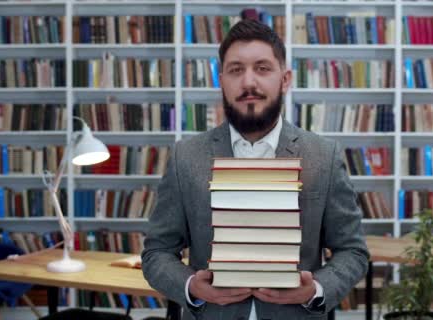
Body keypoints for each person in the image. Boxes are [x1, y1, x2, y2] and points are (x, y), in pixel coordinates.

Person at [142, 19, 369, 320]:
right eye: (236, 70)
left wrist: (315, 289)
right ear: (221, 79)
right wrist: (190, 287)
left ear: (285, 79)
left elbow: (352, 251)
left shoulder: (323, 156)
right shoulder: (187, 156)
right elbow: (156, 252)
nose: (249, 82)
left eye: (262, 68)